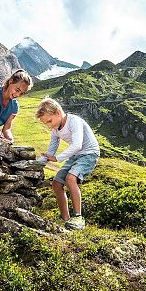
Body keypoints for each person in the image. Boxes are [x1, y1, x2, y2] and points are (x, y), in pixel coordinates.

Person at [36, 97, 100, 230]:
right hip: (76, 156)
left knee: (71, 178)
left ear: (58, 112)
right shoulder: (55, 129)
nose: (49, 126)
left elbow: (77, 145)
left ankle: (78, 217)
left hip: (89, 154)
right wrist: (37, 163)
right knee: (56, 183)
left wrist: (57, 159)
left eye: (49, 121)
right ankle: (65, 218)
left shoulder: (74, 121)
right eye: (46, 124)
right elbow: (51, 150)